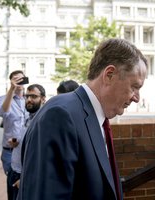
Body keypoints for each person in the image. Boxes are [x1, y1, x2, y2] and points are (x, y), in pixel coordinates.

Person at [17, 38, 147, 200]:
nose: (137, 98)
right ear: (109, 75)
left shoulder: (93, 117)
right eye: (134, 86)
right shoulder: (60, 116)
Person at [7, 84, 46, 200]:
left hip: (25, 176)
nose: (29, 99)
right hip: (14, 170)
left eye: (33, 96)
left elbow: (41, 154)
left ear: (43, 99)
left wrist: (25, 177)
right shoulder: (28, 117)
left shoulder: (43, 120)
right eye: (27, 96)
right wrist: (15, 142)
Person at [0, 70, 29, 176]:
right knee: (12, 182)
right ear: (11, 82)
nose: (19, 81)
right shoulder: (3, 99)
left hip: (27, 148)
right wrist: (12, 89)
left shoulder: (30, 99)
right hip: (10, 150)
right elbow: (3, 112)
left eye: (21, 78)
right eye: (16, 79)